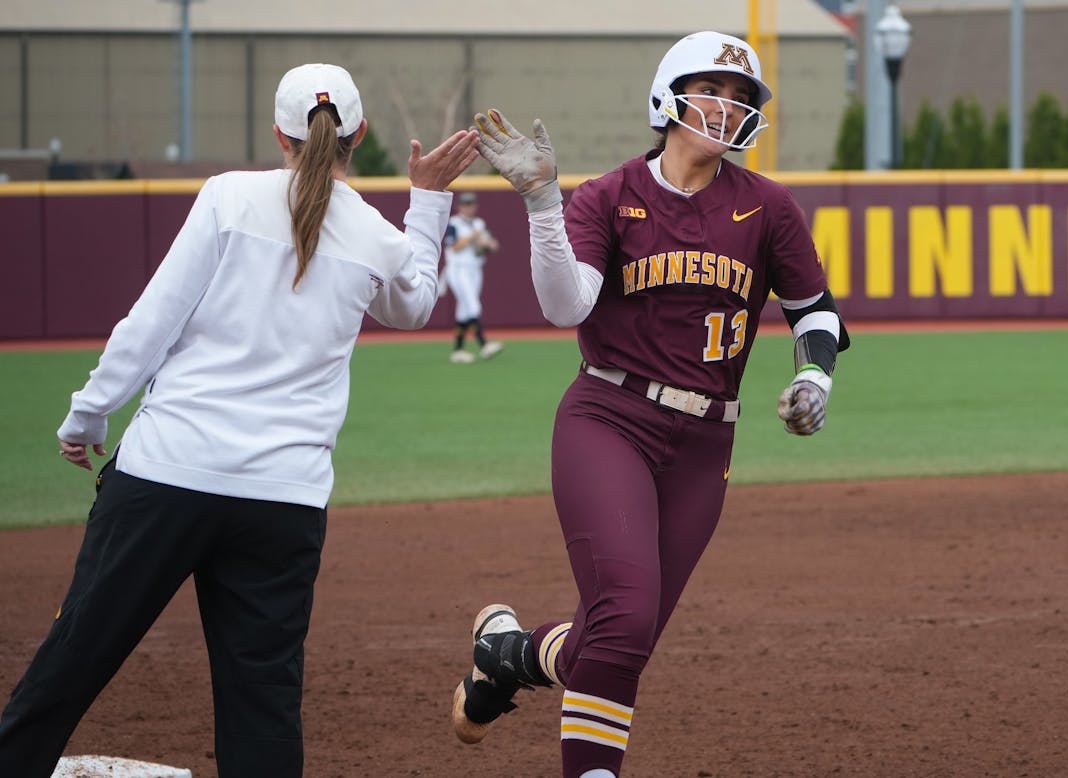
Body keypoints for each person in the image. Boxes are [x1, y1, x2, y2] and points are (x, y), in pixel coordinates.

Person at [0, 63, 478, 778]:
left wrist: (88, 417)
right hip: (283, 501)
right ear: (361, 136)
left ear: (279, 134)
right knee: (263, 707)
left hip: (167, 475)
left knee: (72, 663)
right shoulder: (376, 235)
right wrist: (428, 201)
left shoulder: (227, 198)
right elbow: (412, 307)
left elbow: (150, 324)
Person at [448, 31, 850, 778]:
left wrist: (815, 378)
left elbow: (816, 312)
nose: (726, 108)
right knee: (625, 622)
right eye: (712, 90)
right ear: (668, 95)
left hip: (706, 445)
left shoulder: (767, 206)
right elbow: (564, 305)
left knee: (619, 640)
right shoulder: (611, 196)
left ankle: (504, 655)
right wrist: (542, 200)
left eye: (740, 99)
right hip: (611, 417)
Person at [444, 191, 504, 363]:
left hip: (475, 269)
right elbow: (453, 246)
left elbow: (492, 246)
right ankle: (484, 345)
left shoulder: (479, 223)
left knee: (463, 311)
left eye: (472, 204)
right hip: (458, 269)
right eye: (466, 204)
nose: (470, 207)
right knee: (472, 305)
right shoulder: (453, 223)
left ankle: (458, 351)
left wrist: (488, 245)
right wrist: (473, 237)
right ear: (460, 207)